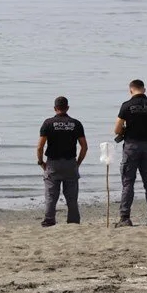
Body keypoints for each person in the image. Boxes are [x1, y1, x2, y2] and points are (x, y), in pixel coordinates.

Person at [113, 79, 147, 227]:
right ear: (144, 90)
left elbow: (117, 130)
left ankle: (125, 218)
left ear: (131, 90)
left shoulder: (126, 106)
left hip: (131, 147)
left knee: (128, 183)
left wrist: (126, 130)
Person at [36, 96, 89, 227]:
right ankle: (73, 221)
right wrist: (78, 163)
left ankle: (49, 220)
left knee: (51, 196)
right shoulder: (75, 123)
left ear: (55, 108)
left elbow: (40, 147)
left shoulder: (48, 123)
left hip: (53, 164)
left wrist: (41, 162)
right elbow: (84, 146)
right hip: (70, 163)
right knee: (72, 197)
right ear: (67, 108)